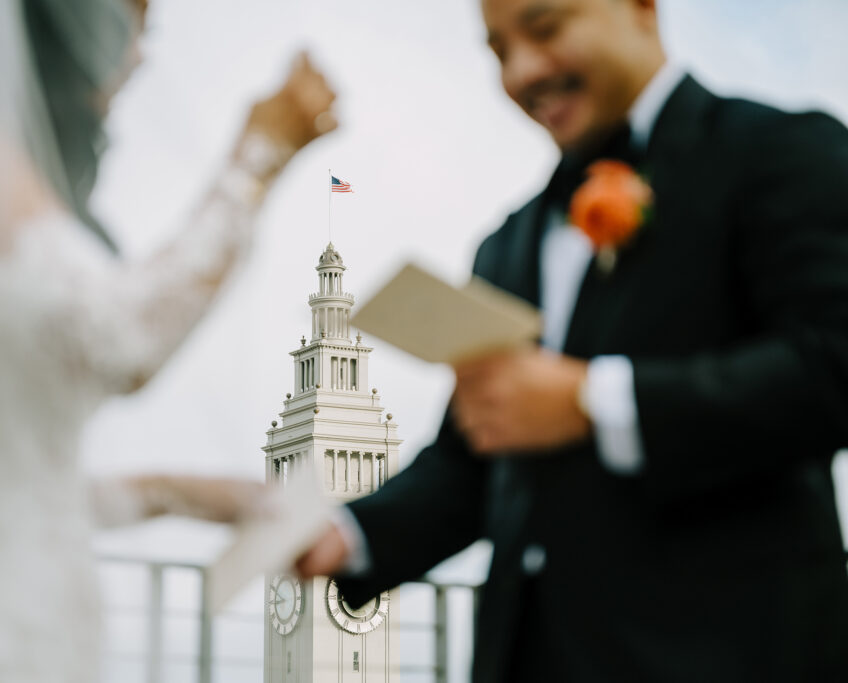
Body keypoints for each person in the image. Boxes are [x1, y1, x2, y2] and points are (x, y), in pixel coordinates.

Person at [297, 0, 848, 680]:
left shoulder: (781, 150)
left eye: (546, 27)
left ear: (643, 9)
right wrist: (340, 535)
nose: (523, 70)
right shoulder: (505, 244)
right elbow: (475, 458)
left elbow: (834, 362)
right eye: (498, 50)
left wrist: (594, 401)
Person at [0, 0, 336, 681]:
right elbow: (127, 337)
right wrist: (257, 155)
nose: (140, 55)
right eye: (132, 21)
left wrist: (176, 492)